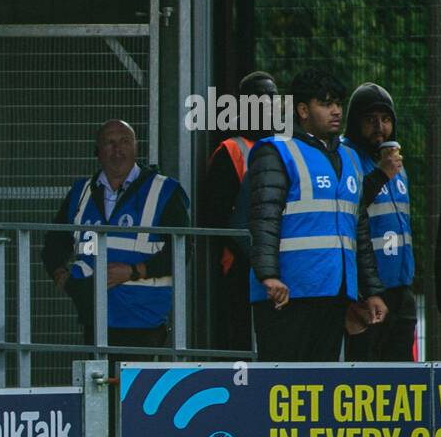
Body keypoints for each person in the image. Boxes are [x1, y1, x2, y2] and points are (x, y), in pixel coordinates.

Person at [239, 68, 386, 437]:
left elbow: (358, 230)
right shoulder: (277, 152)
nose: (336, 110)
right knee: (271, 397)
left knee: (311, 400)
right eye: (325, 102)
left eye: (338, 101)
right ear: (302, 110)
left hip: (330, 295)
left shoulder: (348, 158)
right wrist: (268, 275)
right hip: (286, 295)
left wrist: (369, 291)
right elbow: (260, 219)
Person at [43, 120, 190, 352]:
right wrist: (63, 277)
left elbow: (183, 250)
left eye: (124, 141)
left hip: (144, 318)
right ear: (98, 152)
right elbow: (54, 243)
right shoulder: (81, 192)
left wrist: (133, 271)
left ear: (135, 147)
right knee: (98, 385)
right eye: (109, 143)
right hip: (94, 313)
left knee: (136, 388)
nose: (117, 149)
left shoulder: (165, 190)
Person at [202, 71, 279, 354]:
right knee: (242, 339)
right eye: (258, 100)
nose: (267, 105)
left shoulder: (285, 148)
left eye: (272, 99)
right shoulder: (232, 150)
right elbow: (217, 216)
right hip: (240, 265)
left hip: (282, 261)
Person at [342, 83, 413, 361]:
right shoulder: (347, 157)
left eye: (385, 120)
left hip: (400, 286)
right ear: (355, 123)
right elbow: (350, 208)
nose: (379, 127)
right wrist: (381, 174)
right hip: (367, 290)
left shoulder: (395, 162)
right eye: (370, 120)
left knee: (403, 375)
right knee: (366, 372)